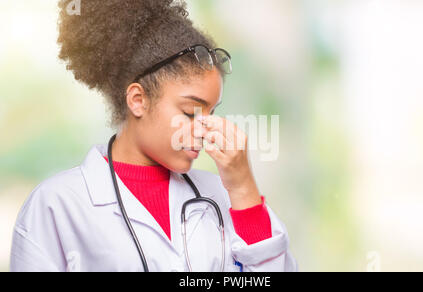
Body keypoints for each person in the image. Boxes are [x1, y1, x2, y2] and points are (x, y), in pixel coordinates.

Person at [10, 0, 297, 272]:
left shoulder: (225, 197)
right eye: (189, 112)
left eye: (210, 113)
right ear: (138, 100)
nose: (204, 129)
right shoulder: (57, 204)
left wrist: (243, 186)